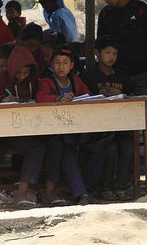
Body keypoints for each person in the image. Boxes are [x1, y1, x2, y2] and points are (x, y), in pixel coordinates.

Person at [91, 0, 147, 181]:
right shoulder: (104, 13)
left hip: (142, 75)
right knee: (118, 124)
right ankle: (123, 172)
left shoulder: (142, 8)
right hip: (116, 79)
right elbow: (100, 46)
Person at [36, 46, 96, 206]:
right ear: (51, 65)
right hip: (51, 131)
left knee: (71, 150)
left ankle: (78, 192)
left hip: (74, 130)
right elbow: (40, 98)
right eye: (57, 63)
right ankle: (81, 193)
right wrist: (58, 99)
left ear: (71, 66)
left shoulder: (76, 81)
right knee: (63, 149)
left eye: (65, 63)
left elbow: (88, 96)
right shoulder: (46, 82)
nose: (61, 67)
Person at [0, 44, 45, 207]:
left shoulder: (33, 80)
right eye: (18, 72)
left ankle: (22, 191)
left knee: (40, 146)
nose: (21, 76)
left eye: (25, 73)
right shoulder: (1, 77)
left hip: (26, 128)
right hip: (0, 130)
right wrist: (1, 99)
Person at [82, 35, 134, 201]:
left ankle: (121, 185)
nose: (111, 57)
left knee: (127, 144)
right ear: (97, 53)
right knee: (110, 148)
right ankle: (105, 187)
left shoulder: (122, 75)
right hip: (97, 127)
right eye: (107, 52)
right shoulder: (89, 76)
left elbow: (130, 95)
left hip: (119, 123)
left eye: (114, 53)